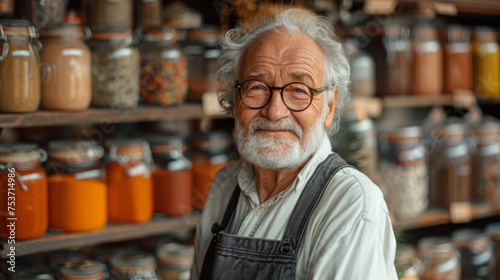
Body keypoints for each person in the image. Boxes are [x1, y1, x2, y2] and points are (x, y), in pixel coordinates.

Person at [190, 9, 397, 280]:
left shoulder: (351, 203)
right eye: (256, 87)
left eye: (299, 91)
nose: (274, 112)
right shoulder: (224, 186)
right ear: (234, 101)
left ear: (329, 106)